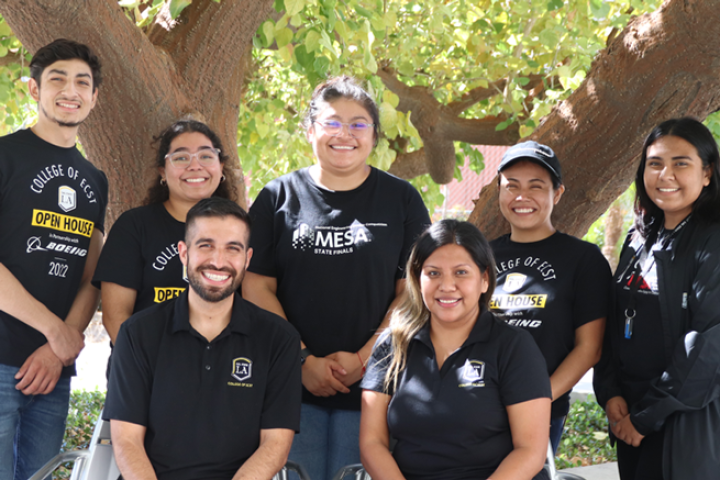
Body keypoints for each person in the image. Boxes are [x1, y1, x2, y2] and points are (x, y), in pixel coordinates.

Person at [242, 76, 430, 480]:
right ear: (310, 131)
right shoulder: (277, 197)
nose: (345, 134)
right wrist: (302, 359)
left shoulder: (402, 200)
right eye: (332, 123)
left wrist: (366, 359)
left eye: (359, 124)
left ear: (375, 136)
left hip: (375, 388)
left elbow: (412, 293)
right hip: (291, 387)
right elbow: (256, 286)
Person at [104, 197, 301, 480]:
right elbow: (127, 441)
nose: (218, 262)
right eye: (206, 245)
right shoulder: (137, 333)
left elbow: (275, 445)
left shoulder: (279, 339)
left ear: (247, 259)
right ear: (184, 253)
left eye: (232, 249)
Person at [360, 219, 552, 480]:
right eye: (433, 273)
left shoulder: (514, 346)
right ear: (417, 279)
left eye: (461, 272)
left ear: (484, 279)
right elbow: (372, 443)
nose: (446, 286)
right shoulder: (392, 345)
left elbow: (530, 451)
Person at [0, 39, 107, 479]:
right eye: (57, 79)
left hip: (54, 369)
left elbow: (93, 275)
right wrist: (54, 332)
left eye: (83, 82)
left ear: (94, 96)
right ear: (33, 89)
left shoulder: (95, 180)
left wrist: (58, 348)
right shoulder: (5, 155)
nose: (71, 90)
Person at [594, 117, 720, 480]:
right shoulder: (639, 238)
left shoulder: (712, 240)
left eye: (681, 163)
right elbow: (614, 319)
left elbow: (707, 344)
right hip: (629, 415)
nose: (666, 174)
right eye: (655, 163)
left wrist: (647, 416)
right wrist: (610, 391)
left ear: (707, 172)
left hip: (684, 421)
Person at [489, 141, 610, 453]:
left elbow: (589, 348)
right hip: (475, 406)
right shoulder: (480, 256)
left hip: (540, 411)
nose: (521, 196)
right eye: (511, 185)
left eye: (536, 186)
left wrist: (538, 398)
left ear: (557, 194)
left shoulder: (583, 259)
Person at [92, 119, 239, 345]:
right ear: (163, 171)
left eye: (206, 156)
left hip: (220, 370)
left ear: (221, 168)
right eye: (181, 158)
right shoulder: (133, 227)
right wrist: (152, 372)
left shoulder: (239, 231)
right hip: (145, 370)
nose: (195, 166)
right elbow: (116, 319)